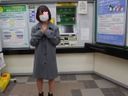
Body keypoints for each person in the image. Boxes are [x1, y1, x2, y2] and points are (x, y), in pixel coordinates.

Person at [30, 5, 60, 96]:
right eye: (40, 13)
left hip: (50, 57)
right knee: (39, 77)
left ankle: (50, 93)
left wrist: (46, 31)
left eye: (44, 13)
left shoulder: (54, 28)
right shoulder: (35, 28)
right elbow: (32, 42)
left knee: (51, 77)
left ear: (48, 14)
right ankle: (40, 93)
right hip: (39, 57)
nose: (42, 15)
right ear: (38, 16)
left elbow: (56, 41)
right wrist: (41, 32)